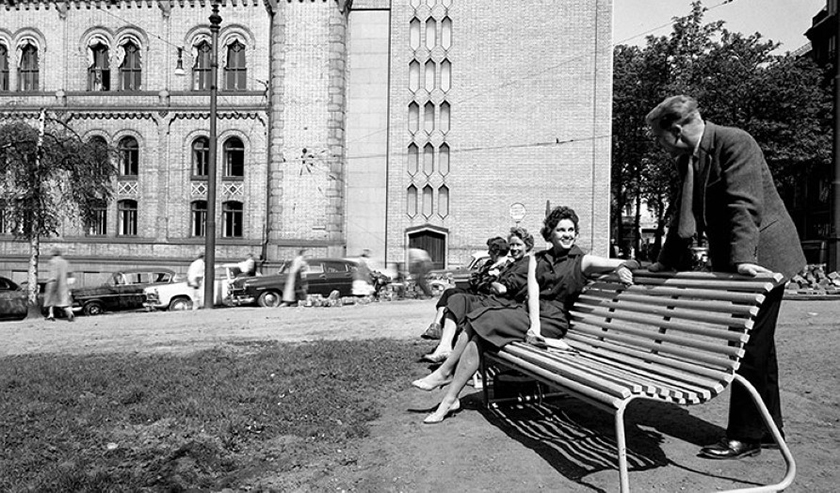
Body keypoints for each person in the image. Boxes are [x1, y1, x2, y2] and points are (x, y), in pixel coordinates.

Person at [645, 95, 806, 460]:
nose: (659, 146)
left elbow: (743, 205)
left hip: (763, 259)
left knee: (747, 347)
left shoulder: (735, 142)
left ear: (676, 129)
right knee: (760, 349)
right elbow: (680, 219)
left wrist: (742, 262)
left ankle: (746, 436)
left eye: (659, 138)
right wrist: (664, 262)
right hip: (742, 263)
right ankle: (768, 429)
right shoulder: (689, 160)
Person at [412, 206, 637, 423]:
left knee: (483, 319)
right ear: (550, 233)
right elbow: (533, 291)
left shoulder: (582, 261)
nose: (567, 235)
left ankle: (444, 377)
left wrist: (621, 268)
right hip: (530, 315)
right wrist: (534, 325)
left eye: (571, 230)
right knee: (479, 326)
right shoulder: (537, 259)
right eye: (561, 230)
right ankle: (449, 397)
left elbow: (631, 261)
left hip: (553, 321)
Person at [421, 230, 532, 363]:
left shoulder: (525, 264)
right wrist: (491, 282)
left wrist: (491, 282)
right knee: (456, 298)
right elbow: (478, 280)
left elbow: (502, 289)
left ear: (527, 245)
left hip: (505, 305)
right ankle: (444, 347)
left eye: (518, 245)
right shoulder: (514, 264)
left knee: (458, 299)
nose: (514, 249)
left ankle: (447, 348)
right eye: (512, 245)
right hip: (494, 299)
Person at [420, 236, 511, 341]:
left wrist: (482, 281)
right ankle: (436, 326)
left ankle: (447, 332)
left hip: (482, 296)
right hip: (475, 290)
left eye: (490, 250)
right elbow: (473, 278)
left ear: (497, 252)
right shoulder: (489, 263)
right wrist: (485, 280)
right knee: (449, 292)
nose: (488, 253)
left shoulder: (505, 266)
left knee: (456, 298)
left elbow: (489, 286)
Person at [44, 247, 75, 321]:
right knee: (64, 302)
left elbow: (53, 273)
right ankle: (70, 313)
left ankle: (51, 315)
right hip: (63, 284)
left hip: (53, 283)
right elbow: (70, 272)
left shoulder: (52, 262)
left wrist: (49, 281)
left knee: (51, 301)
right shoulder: (65, 262)